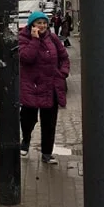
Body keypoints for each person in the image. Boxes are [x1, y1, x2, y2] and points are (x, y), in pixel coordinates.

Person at [19, 10, 70, 163]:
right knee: (28, 119)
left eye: (44, 23)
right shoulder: (23, 38)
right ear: (32, 25)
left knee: (49, 123)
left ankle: (47, 154)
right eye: (38, 23)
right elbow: (26, 58)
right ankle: (25, 141)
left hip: (51, 87)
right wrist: (35, 40)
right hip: (32, 87)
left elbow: (64, 57)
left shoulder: (52, 38)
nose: (42, 26)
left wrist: (62, 73)